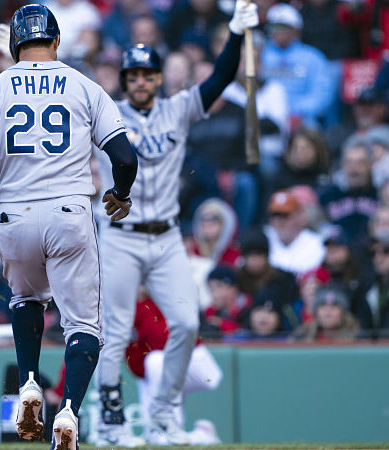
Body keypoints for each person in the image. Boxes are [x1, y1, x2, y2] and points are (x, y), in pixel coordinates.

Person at [0, 5, 139, 449]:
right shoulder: (84, 86)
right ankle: (71, 413)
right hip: (68, 212)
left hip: (14, 215)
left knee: (25, 299)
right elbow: (125, 157)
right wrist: (120, 193)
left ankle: (27, 384)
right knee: (84, 326)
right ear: (56, 41)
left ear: (13, 44)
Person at [94, 1, 259, 445]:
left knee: (187, 324)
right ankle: (110, 425)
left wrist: (237, 33)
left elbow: (221, 78)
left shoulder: (178, 108)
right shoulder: (103, 113)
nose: (141, 81)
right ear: (125, 80)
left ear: (158, 77)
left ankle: (164, 414)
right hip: (120, 236)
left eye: (148, 74)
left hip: (166, 235)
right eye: (134, 76)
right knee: (115, 330)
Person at [125, 288, 222, 445]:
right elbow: (136, 364)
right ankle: (201, 436)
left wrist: (141, 308)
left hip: (196, 363)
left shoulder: (160, 297)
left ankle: (171, 430)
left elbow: (162, 340)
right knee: (155, 438)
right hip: (161, 370)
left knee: (156, 361)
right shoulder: (127, 307)